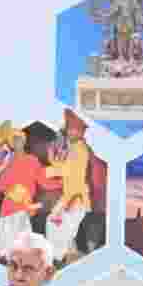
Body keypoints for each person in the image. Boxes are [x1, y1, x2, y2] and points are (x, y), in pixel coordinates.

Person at [0, 124, 53, 261]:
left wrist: (60, 183)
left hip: (24, 208)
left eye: (19, 138)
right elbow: (1, 187)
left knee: (24, 244)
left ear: (24, 140)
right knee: (7, 249)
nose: (17, 142)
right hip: (8, 208)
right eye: (13, 139)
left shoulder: (33, 161)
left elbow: (43, 181)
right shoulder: (5, 163)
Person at [44, 110, 92, 264]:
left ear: (82, 132)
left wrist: (49, 170)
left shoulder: (80, 149)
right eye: (69, 129)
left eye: (74, 129)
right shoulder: (75, 147)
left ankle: (61, 257)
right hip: (72, 196)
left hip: (75, 197)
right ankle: (64, 256)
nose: (70, 132)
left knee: (56, 224)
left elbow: (72, 172)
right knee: (61, 227)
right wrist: (53, 161)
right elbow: (67, 167)